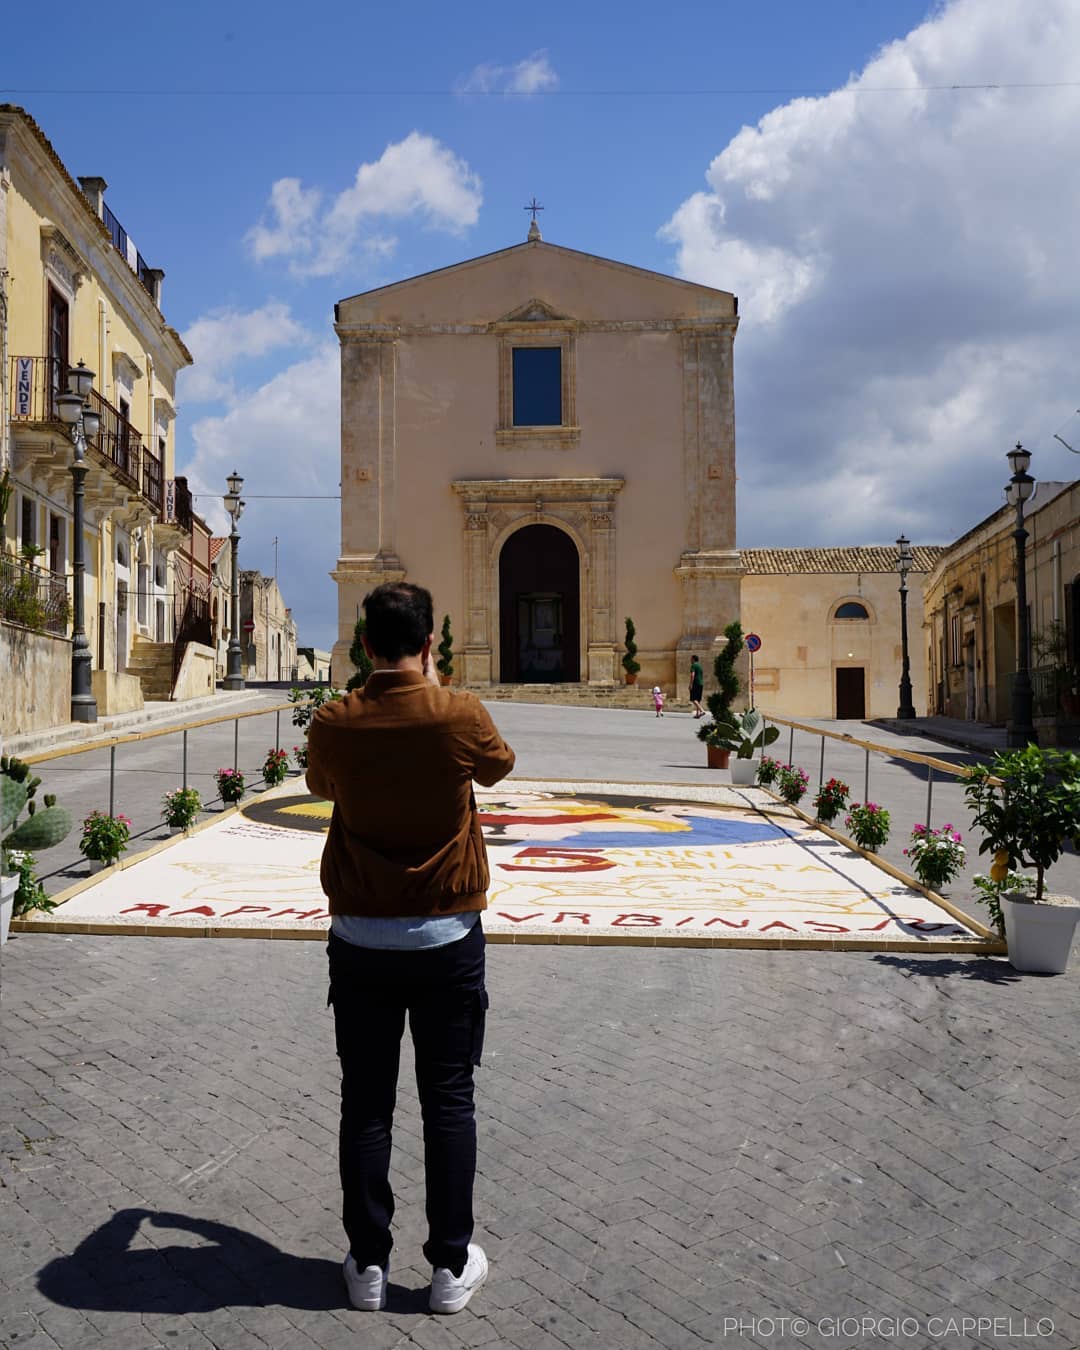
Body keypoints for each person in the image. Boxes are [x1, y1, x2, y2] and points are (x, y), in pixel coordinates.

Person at [306, 581, 515, 1316]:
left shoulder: (335, 719)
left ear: (365, 645)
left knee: (366, 1103)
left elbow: (319, 781)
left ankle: (367, 1262)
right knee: (449, 1100)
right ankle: (450, 1266)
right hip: (445, 934)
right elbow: (498, 765)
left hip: (360, 934)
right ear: (430, 644)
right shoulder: (459, 713)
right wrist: (435, 688)